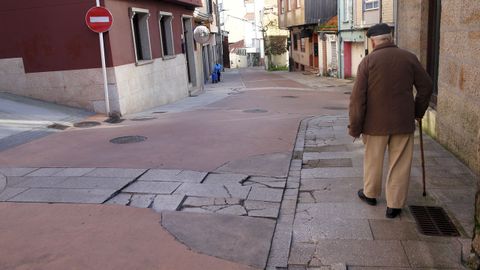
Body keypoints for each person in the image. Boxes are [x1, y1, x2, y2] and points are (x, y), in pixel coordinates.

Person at [348, 23, 433, 218]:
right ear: (391, 38)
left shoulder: (368, 62)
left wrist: (355, 127)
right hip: (403, 122)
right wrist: (417, 112)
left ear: (373, 41)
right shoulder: (409, 58)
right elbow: (426, 86)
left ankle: (370, 194)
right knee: (400, 163)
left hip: (373, 124)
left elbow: (357, 99)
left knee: (373, 160)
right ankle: (394, 205)